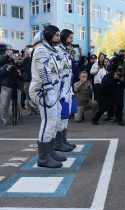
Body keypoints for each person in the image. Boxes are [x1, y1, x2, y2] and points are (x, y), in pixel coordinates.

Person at [29, 25, 66, 168]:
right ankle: (43, 157)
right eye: (56, 35)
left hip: (52, 90)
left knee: (55, 120)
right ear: (49, 36)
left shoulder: (50, 50)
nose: (59, 38)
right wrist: (49, 90)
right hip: (43, 90)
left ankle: (49, 152)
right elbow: (43, 71)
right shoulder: (41, 50)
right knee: (48, 121)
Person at [55, 29, 77, 151]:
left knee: (66, 115)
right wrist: (62, 89)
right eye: (70, 38)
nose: (72, 40)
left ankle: (63, 140)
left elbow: (68, 72)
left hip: (68, 88)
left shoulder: (66, 52)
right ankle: (58, 143)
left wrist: (70, 90)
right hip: (61, 89)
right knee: (60, 116)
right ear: (63, 38)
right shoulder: (57, 51)